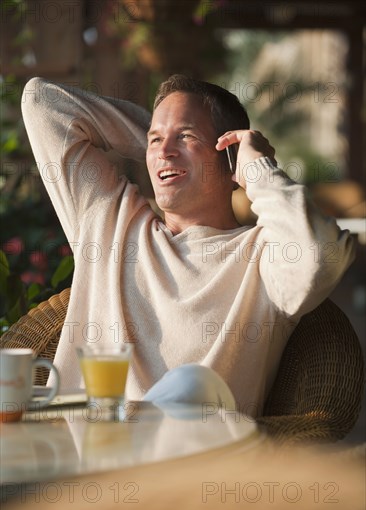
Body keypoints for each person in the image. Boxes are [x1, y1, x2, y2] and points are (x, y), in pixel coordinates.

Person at [21, 74, 355, 416]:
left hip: (187, 462)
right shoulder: (108, 222)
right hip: (75, 451)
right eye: (155, 139)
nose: (164, 150)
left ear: (231, 156)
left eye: (185, 136)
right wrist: (165, 150)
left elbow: (321, 255)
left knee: (192, 385)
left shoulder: (264, 258)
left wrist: (255, 168)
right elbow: (42, 102)